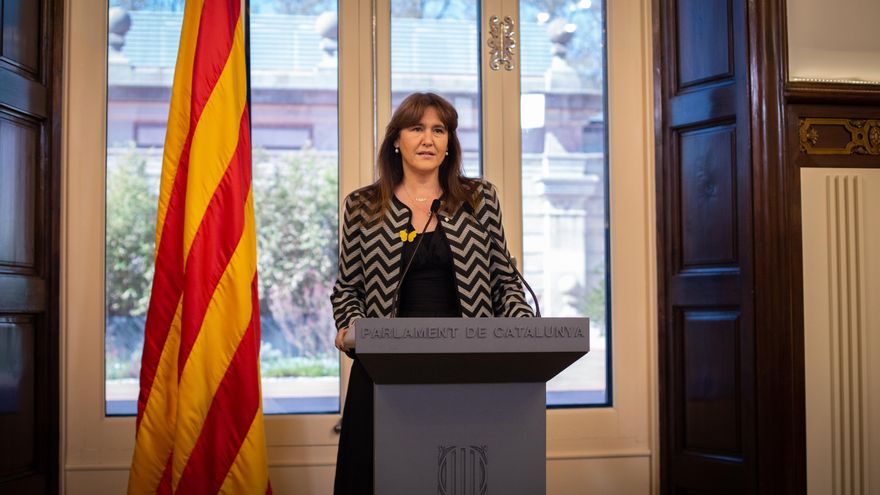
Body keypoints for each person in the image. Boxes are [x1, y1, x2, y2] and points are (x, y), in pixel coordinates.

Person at [330, 92, 534, 494]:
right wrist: (351, 327)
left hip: (467, 367)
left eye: (438, 130)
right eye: (416, 128)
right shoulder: (364, 206)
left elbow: (504, 281)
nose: (428, 139)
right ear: (396, 141)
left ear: (449, 144)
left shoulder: (478, 199)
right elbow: (348, 288)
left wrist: (524, 328)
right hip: (384, 369)